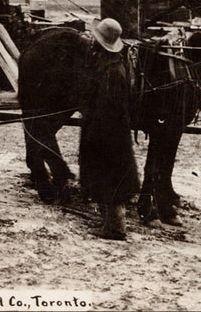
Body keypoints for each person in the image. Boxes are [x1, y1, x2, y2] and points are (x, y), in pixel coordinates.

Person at [78, 18, 140, 240]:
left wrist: (94, 129)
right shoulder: (108, 63)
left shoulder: (113, 71)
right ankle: (109, 223)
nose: (92, 44)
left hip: (108, 132)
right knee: (106, 176)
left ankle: (115, 228)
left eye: (96, 40)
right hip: (108, 130)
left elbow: (107, 107)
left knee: (111, 177)